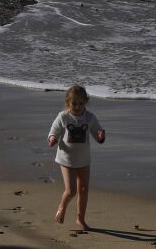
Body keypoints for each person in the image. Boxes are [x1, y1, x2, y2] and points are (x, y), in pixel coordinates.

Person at [47, 83, 107, 231]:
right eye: (74, 103)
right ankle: (62, 207)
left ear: (86, 101)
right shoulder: (63, 116)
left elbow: (97, 133)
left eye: (81, 103)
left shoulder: (90, 117)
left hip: (84, 160)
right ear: (68, 102)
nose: (78, 106)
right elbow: (53, 131)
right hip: (66, 159)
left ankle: (80, 219)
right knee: (71, 191)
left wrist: (100, 136)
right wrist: (52, 139)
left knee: (84, 189)